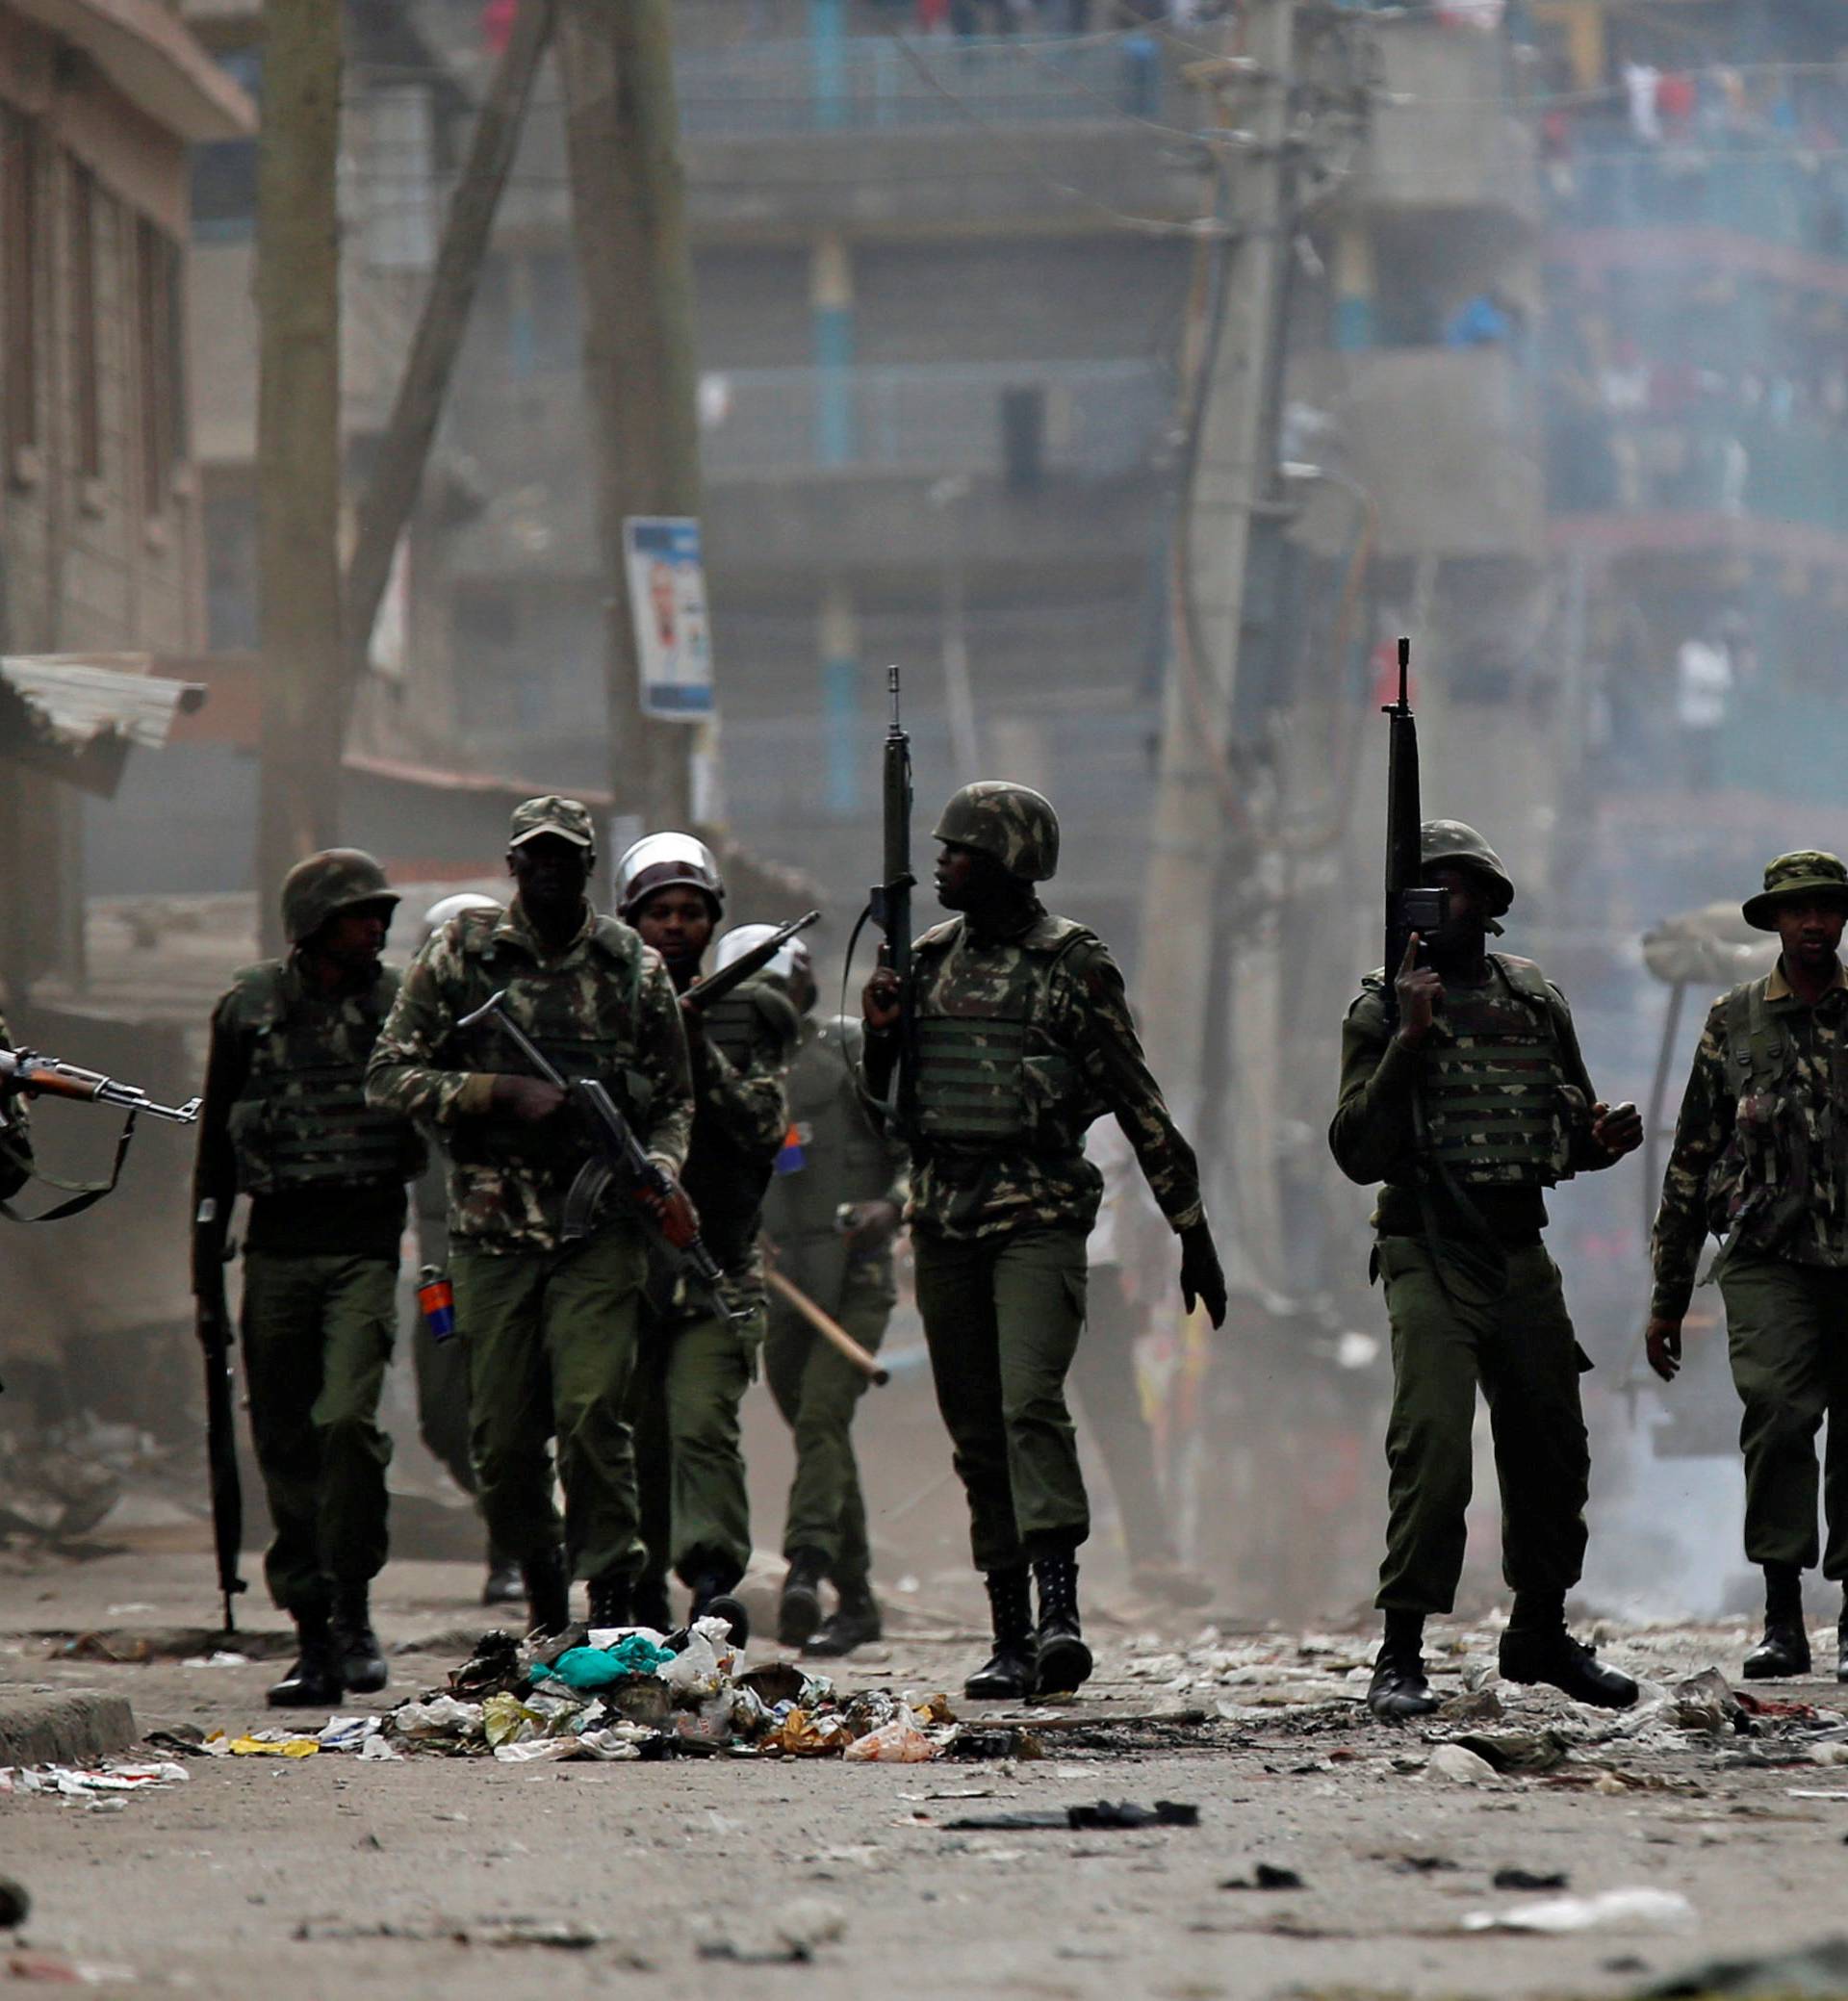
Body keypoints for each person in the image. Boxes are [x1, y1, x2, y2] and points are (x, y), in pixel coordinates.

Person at [861, 781, 1227, 1700]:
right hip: (944, 1220)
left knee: (1031, 1404)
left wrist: (1193, 1230)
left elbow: (1140, 1103)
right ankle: (1010, 1632)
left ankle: (1060, 1611)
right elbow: (889, 1119)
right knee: (977, 1432)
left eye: (960, 850)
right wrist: (877, 1037)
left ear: (1009, 862)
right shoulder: (929, 960)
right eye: (939, 848)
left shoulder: (1072, 965)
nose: (941, 864)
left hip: (1038, 1218)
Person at [1329, 820, 1644, 1722]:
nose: (1442, 903)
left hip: (1516, 1248)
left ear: (1491, 904)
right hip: (1427, 1245)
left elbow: (1568, 1127)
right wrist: (1410, 1038)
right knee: (1431, 1443)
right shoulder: (1381, 1011)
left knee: (1553, 1445)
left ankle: (1539, 1632)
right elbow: (1356, 1149)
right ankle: (1400, 1650)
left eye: (1458, 887)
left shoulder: (1534, 998)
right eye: (1426, 887)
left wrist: (1601, 1138)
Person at [366, 798, 696, 1635]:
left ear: (589, 867)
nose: (549, 869)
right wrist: (495, 1092)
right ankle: (541, 1577)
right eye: (534, 856)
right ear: (513, 865)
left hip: (596, 1234)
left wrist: (657, 1168)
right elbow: (388, 1074)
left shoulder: (634, 967)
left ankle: (613, 1597)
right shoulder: (460, 954)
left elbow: (674, 1100)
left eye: (566, 857)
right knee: (503, 1442)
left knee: (591, 1416)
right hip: (492, 1234)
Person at [192, 850, 424, 1706]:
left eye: (380, 914)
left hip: (364, 1247)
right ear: (315, 923)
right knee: (285, 1441)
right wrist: (202, 1268)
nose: (378, 926)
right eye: (361, 913)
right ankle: (313, 1631)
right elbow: (215, 1140)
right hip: (276, 1252)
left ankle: (354, 1608)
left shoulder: (400, 1007)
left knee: (346, 1425)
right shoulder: (249, 1007)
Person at [1647, 851, 1848, 1684]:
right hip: (1769, 1257)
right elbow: (1692, 1158)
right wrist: (1665, 1297)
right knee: (1775, 1414)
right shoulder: (1734, 1022)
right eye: (1796, 909)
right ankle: (1782, 1615)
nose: (1812, 922)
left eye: (1826, 909)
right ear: (1772, 921)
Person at [615, 834, 798, 1644]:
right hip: (622, 1263)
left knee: (702, 1426)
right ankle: (635, 1590)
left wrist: (694, 1043)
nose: (676, 925)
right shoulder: (604, 1000)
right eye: (659, 911)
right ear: (633, 920)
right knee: (633, 1437)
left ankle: (715, 1586)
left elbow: (764, 1125)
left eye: (692, 911)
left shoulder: (750, 1009)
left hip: (716, 1261)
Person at [751, 924, 908, 1657]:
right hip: (783, 1290)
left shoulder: (850, 1052)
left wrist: (894, 1204)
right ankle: (863, 1600)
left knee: (821, 1415)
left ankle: (806, 1568)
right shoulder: (731, 1076)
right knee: (821, 1433)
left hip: (856, 1278)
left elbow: (917, 1141)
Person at [409, 890, 520, 1609]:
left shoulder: (522, 1044)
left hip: (514, 1249)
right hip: (439, 1261)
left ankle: (511, 1546)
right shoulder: (407, 1054)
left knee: (510, 1409)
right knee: (444, 1413)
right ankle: (504, 1514)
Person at [1069, 1119, 1212, 1607]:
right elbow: (1157, 1209)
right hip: (1087, 1276)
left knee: (1109, 1416)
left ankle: (1150, 1553)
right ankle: (1150, 1554)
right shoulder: (1116, 1098)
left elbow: (1156, 1208)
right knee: (1115, 1417)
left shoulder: (1113, 1104)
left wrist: (1148, 1293)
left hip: (1090, 1276)